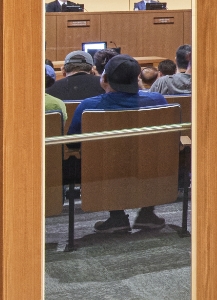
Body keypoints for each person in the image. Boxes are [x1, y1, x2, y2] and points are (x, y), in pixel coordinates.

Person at [69, 56, 173, 232]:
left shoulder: (88, 106)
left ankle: (117, 217)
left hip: (104, 171)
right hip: (149, 167)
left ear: (104, 78)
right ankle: (147, 214)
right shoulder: (157, 101)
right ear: (137, 78)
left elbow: (72, 143)